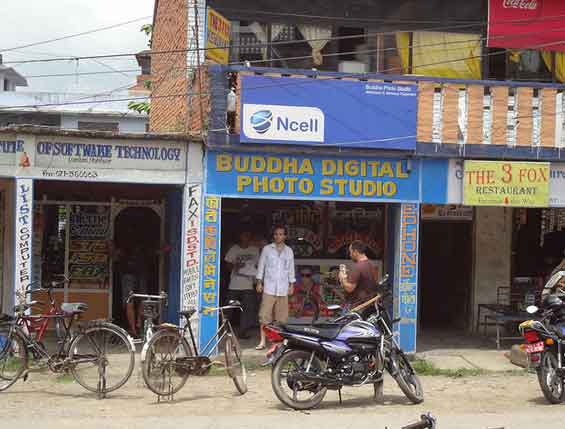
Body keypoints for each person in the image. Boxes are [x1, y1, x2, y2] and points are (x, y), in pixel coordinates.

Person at [255, 225, 296, 350]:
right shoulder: (267, 249)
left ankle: (277, 343)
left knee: (281, 318)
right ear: (274, 236)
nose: (278, 236)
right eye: (276, 234)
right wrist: (259, 282)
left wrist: (291, 284)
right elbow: (261, 265)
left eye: (281, 234)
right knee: (264, 316)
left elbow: (291, 269)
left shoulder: (289, 251)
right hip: (269, 287)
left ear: (285, 236)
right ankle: (262, 341)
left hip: (283, 288)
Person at [224, 230, 260, 339]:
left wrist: (256, 278)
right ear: (240, 236)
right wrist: (235, 266)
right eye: (244, 235)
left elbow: (259, 265)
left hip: (248, 285)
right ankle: (223, 330)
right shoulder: (234, 249)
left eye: (248, 236)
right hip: (234, 285)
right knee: (228, 309)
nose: (246, 238)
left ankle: (243, 332)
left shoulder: (255, 250)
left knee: (247, 310)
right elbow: (227, 264)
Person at [338, 240, 379, 308]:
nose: (350, 255)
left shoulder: (358, 267)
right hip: (369, 305)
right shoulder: (372, 265)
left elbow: (349, 288)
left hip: (357, 307)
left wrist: (342, 278)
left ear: (355, 252)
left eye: (351, 252)